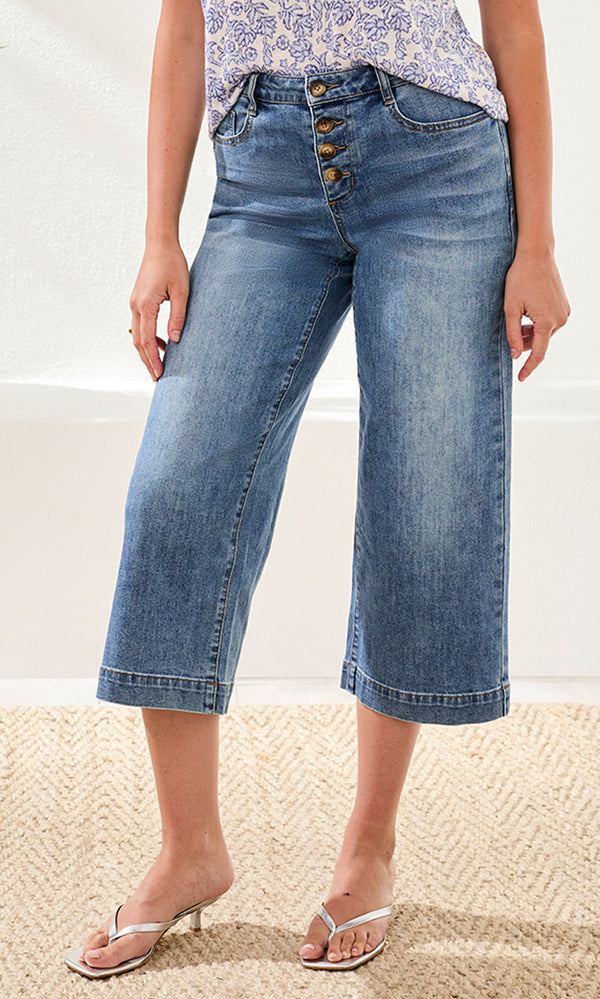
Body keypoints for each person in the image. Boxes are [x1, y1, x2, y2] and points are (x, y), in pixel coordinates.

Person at [64, 0, 570, 979]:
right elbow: (183, 23)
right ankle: (189, 850)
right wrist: (159, 233)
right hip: (262, 170)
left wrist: (538, 244)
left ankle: (369, 844)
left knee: (419, 503)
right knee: (176, 492)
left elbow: (516, 26)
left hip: (440, 160)